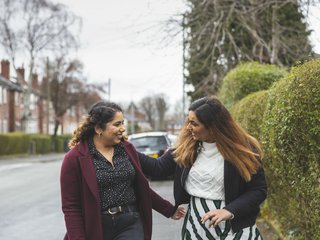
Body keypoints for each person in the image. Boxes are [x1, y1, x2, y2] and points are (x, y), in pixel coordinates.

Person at [138, 96, 267, 239]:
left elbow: (258, 190)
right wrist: (125, 147)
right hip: (197, 227)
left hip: (236, 228)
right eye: (188, 121)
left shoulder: (243, 149)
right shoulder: (186, 148)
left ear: (212, 127)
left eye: (194, 123)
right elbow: (158, 167)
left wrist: (229, 211)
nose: (188, 127)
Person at [60, 101, 185, 240]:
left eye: (122, 123)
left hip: (130, 222)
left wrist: (184, 145)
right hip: (96, 226)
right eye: (117, 124)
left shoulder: (127, 149)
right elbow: (71, 208)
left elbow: (144, 183)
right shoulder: (74, 159)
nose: (123, 128)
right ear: (98, 129)